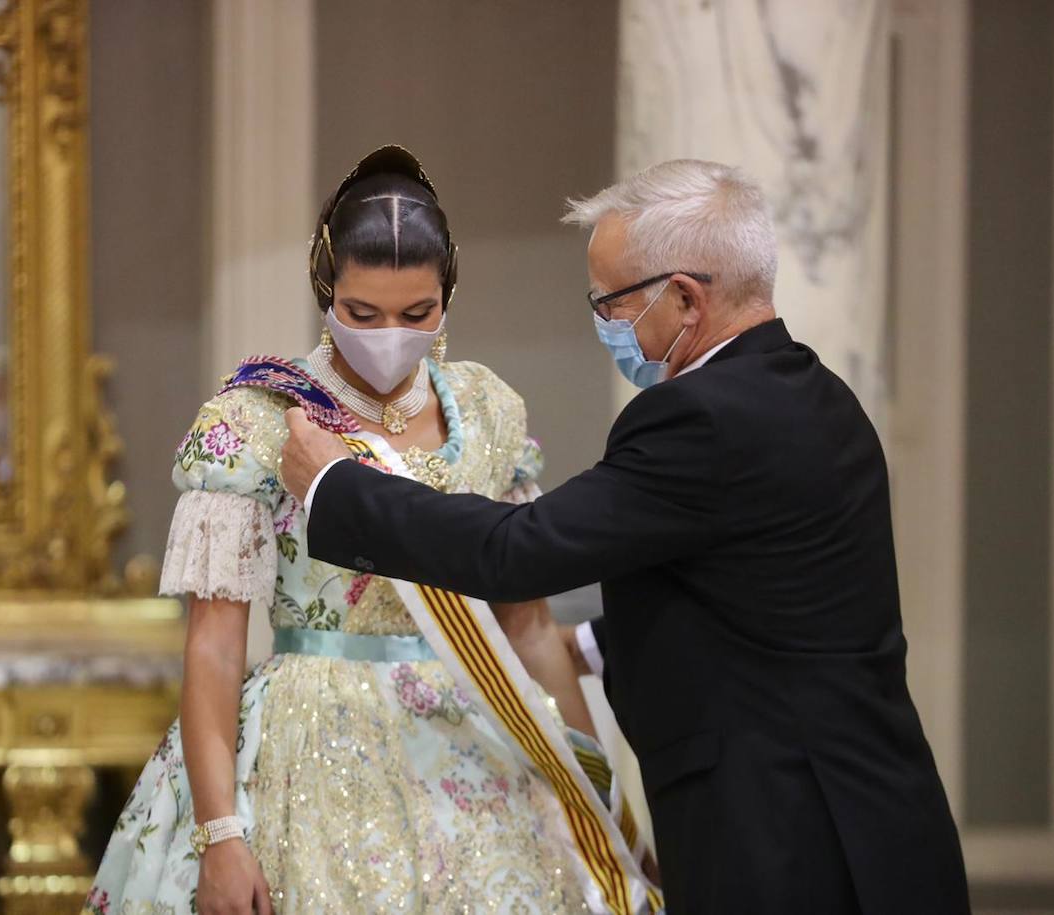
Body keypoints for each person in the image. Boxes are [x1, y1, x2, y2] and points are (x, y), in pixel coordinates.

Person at [281, 159, 970, 914]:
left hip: (779, 833)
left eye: (608, 301)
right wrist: (590, 643)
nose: (603, 323)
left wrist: (334, 484)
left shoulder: (699, 416)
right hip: (879, 818)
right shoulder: (819, 395)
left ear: (683, 297)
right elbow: (775, 596)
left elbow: (517, 550)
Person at [87, 147, 659, 915]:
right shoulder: (255, 420)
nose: (389, 333)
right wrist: (221, 832)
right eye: (362, 313)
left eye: (416, 313)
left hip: (475, 734)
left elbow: (525, 624)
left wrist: (596, 792)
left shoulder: (489, 412)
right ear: (326, 292)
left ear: (447, 296)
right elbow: (216, 645)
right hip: (312, 751)